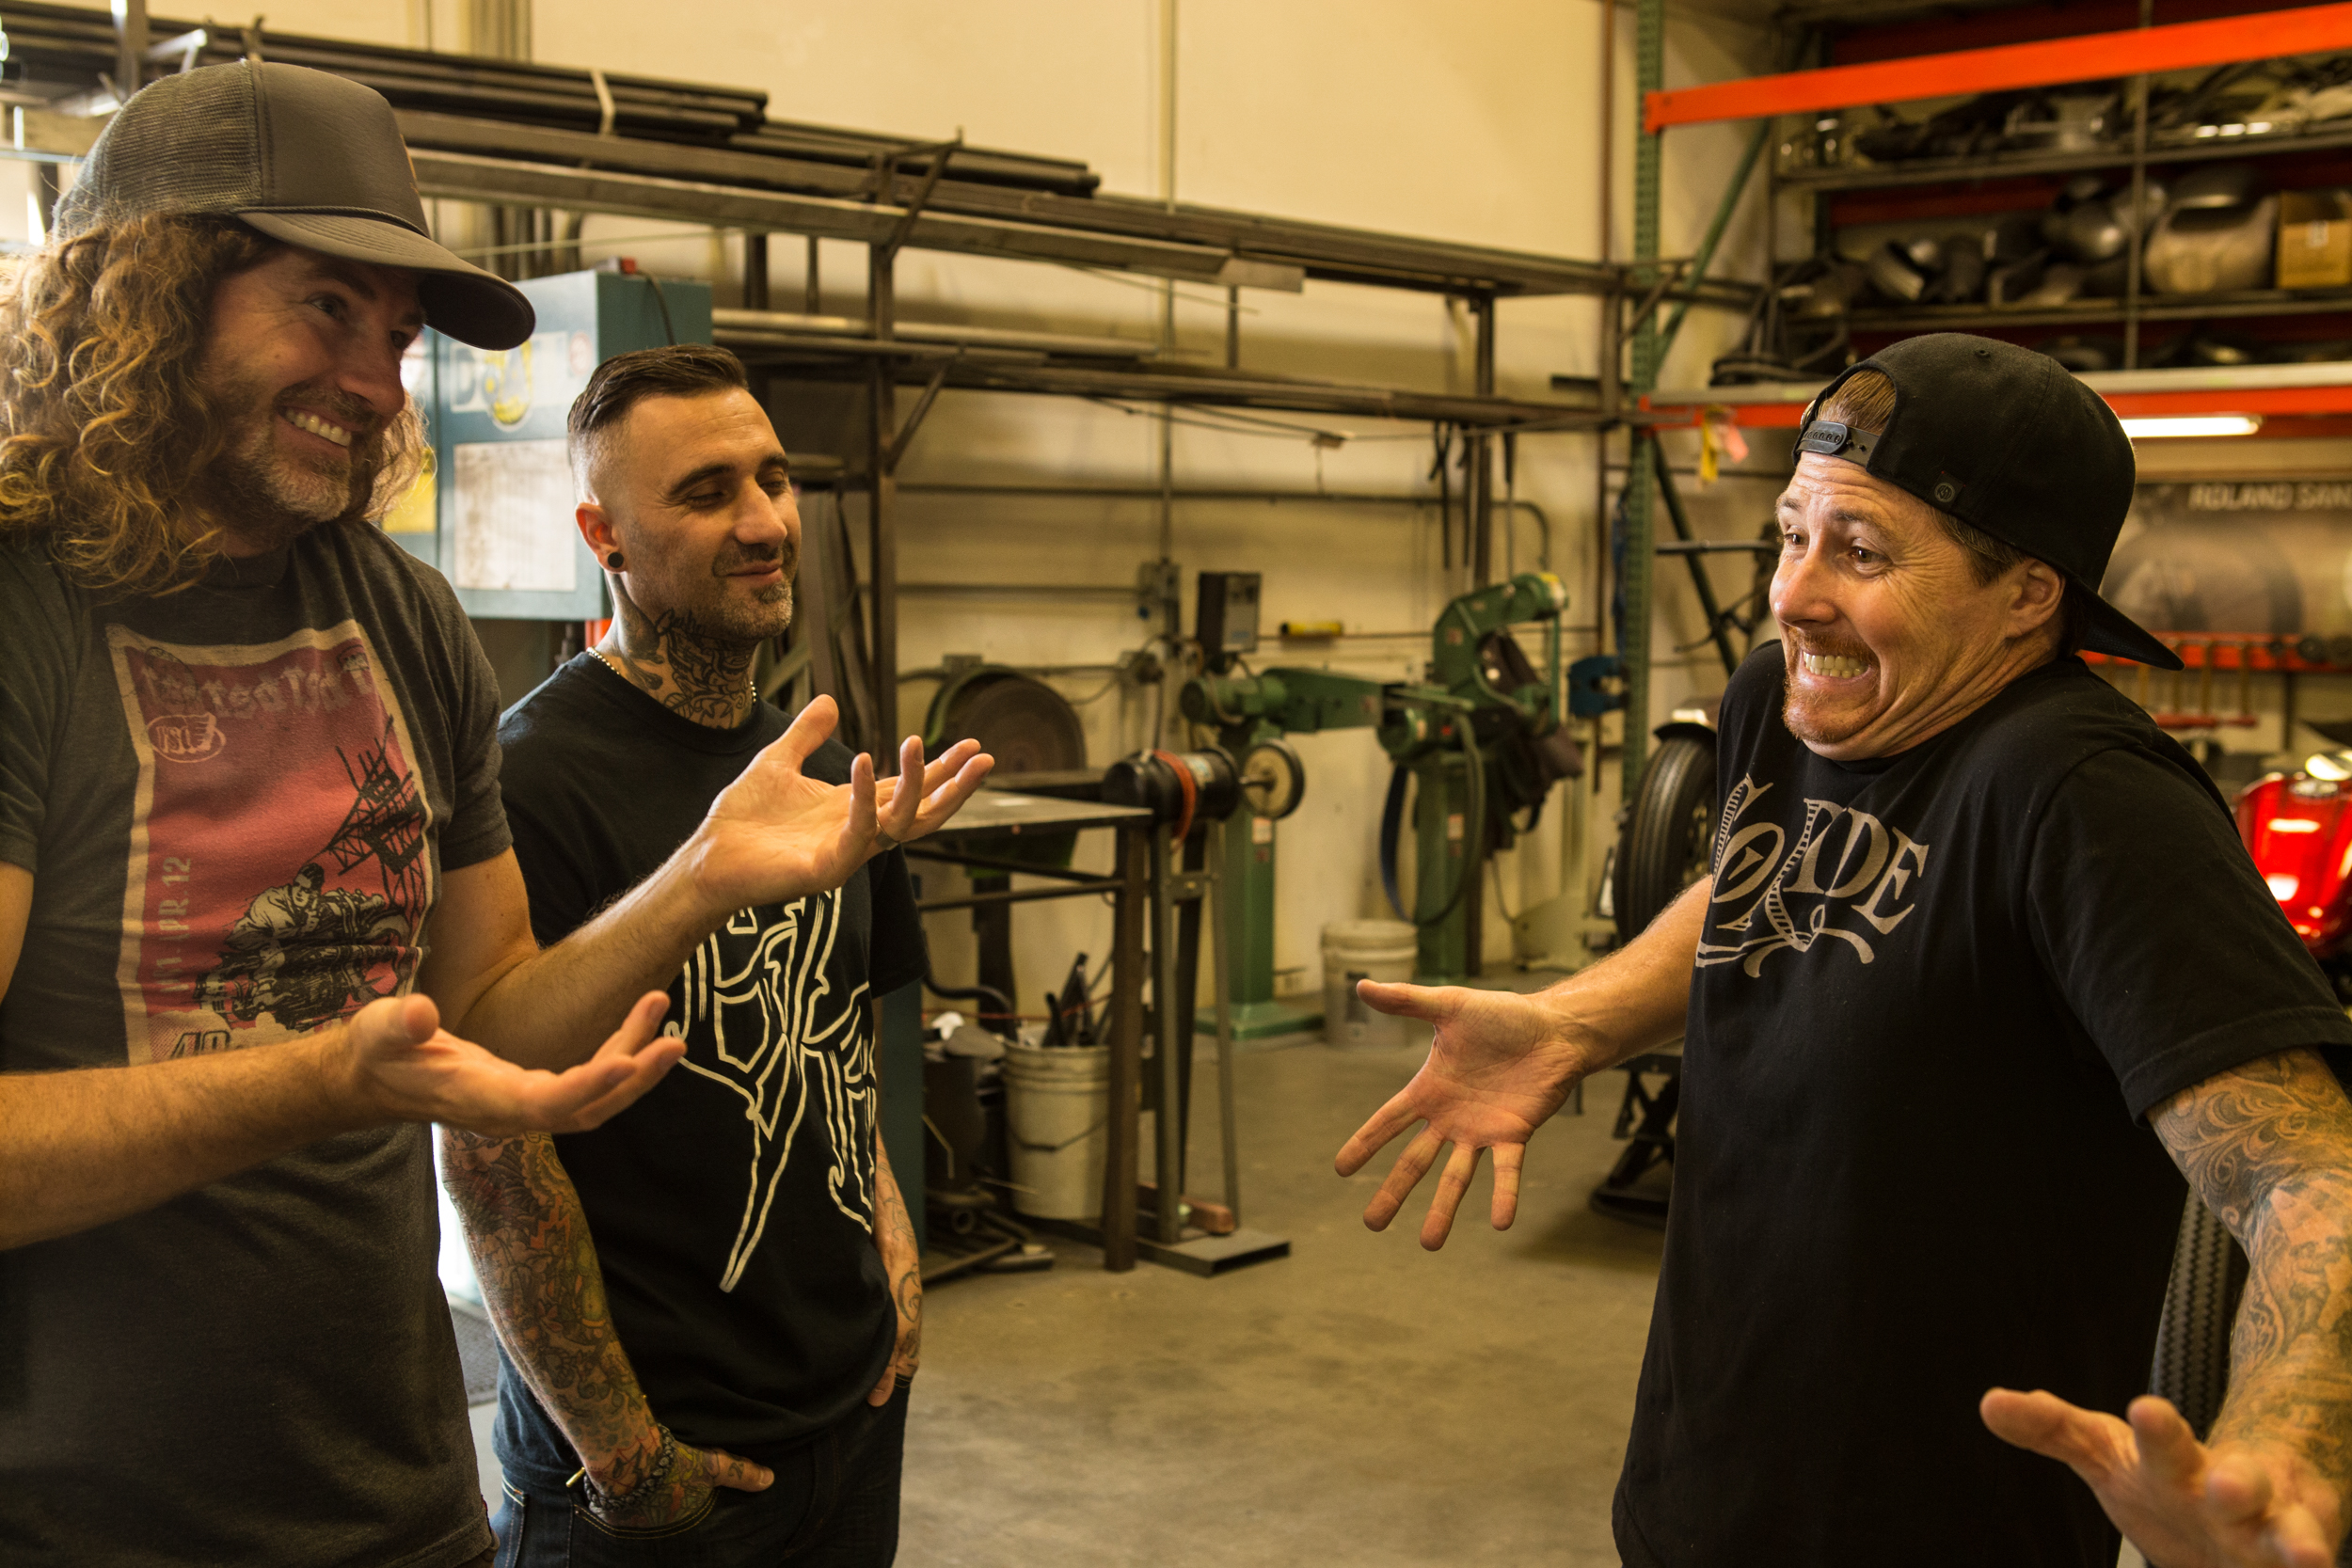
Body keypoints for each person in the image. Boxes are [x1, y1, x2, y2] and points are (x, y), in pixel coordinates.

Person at [0, 62, 988, 1568]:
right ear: (150, 292)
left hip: (401, 1499)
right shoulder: (26, 612)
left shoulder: (400, 617)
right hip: (85, 1520)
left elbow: (491, 1021)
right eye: (326, 307)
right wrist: (323, 1079)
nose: (376, 383)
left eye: (396, 337)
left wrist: (704, 875)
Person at [1338, 334, 2352, 1568]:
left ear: (2028, 596)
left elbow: (2307, 1178)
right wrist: (1575, 1022)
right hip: (1703, 1484)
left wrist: (2282, 1449)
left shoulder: (2085, 796)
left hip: (1938, 1530)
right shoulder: (1784, 700)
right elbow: (1770, 882)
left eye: (1861, 552)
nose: (1795, 594)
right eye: (1791, 534)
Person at [440, 343, 927, 1562]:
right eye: (707, 493)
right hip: (653, 1479)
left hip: (854, 1415)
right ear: (603, 535)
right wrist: (625, 1455)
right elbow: (490, 1148)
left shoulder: (815, 766)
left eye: (773, 478)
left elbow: (841, 1037)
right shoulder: (523, 785)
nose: (764, 522)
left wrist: (893, 1245)